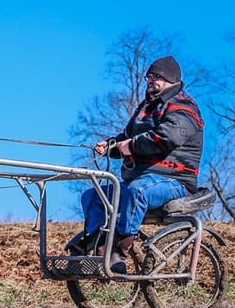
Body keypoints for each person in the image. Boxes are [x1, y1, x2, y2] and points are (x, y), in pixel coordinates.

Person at [70, 55, 204, 274]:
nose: (151, 80)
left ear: (172, 80)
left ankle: (118, 254)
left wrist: (130, 146)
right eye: (149, 76)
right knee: (93, 195)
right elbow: (128, 136)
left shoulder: (183, 107)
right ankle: (96, 247)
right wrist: (111, 145)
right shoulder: (147, 107)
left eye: (157, 77)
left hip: (175, 181)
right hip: (143, 177)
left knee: (137, 192)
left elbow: (166, 138)